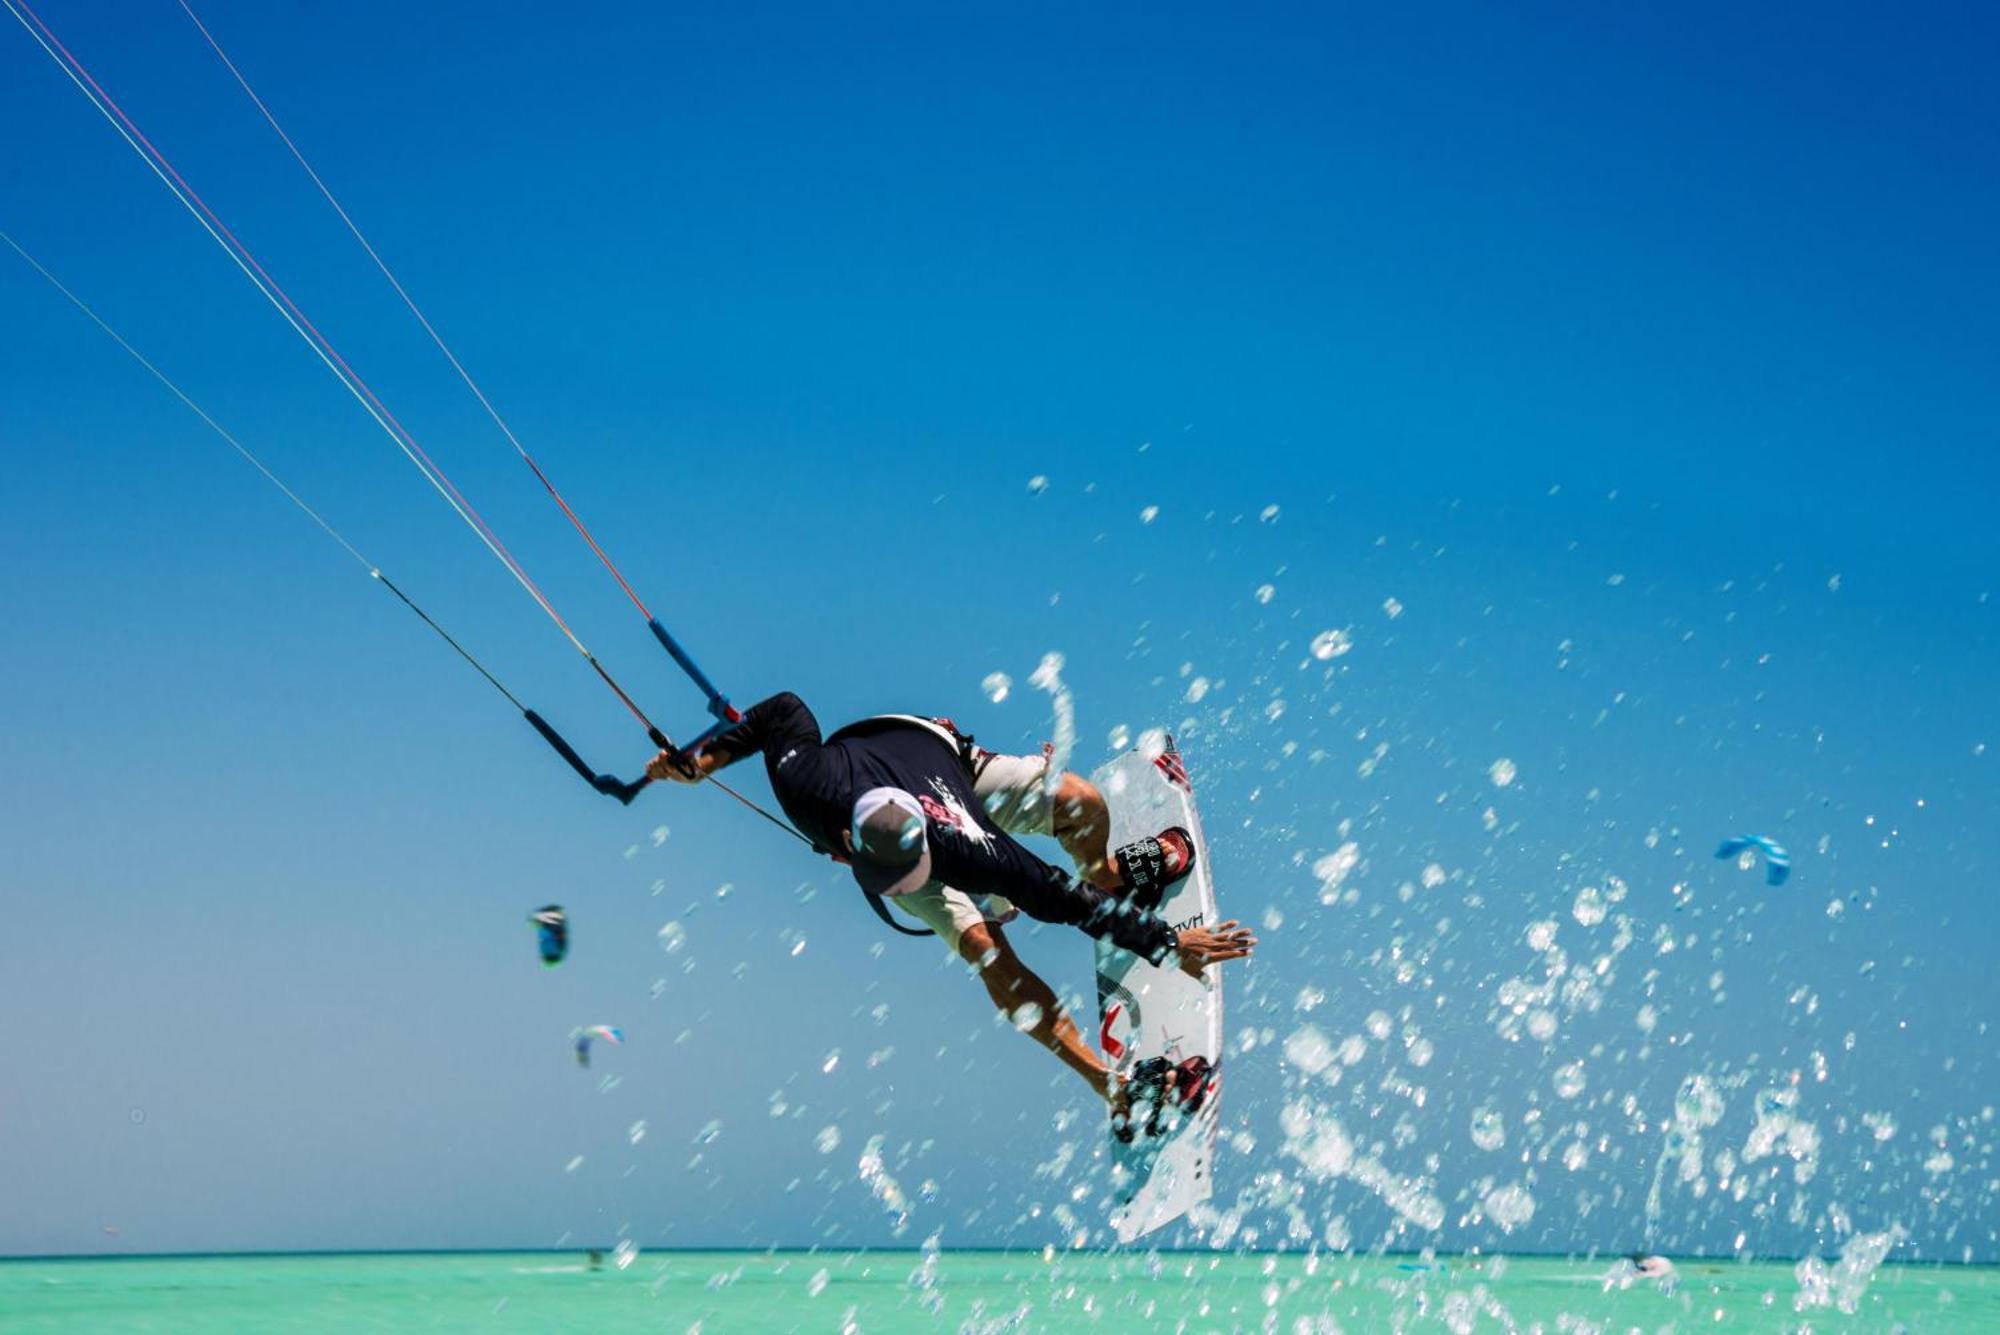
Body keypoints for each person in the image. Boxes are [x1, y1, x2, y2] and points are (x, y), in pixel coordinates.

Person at [645, 693, 1255, 1112]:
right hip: (889, 769)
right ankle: (1110, 1086)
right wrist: (701, 763)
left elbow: (1062, 900)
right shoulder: (804, 782)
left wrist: (1169, 945)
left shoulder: (966, 847)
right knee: (986, 949)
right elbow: (782, 710)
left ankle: (1113, 871)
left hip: (954, 772)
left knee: (1081, 801)